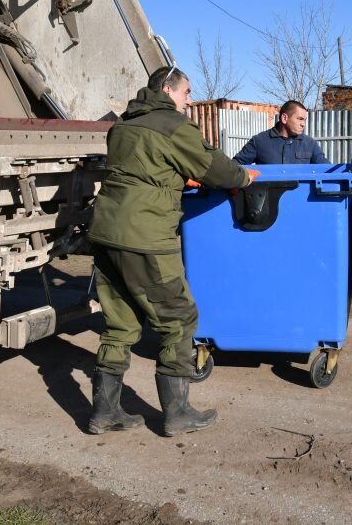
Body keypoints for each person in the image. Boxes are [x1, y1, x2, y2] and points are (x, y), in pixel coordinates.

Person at [86, 67, 256, 437]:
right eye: (187, 92)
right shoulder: (172, 124)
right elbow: (217, 168)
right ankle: (177, 414)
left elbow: (145, 168)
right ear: (167, 89)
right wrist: (243, 179)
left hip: (106, 231)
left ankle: (105, 412)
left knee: (120, 322)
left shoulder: (123, 126)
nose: (190, 100)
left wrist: (177, 175)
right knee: (178, 319)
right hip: (145, 235)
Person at [233, 100, 329, 165]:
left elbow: (326, 170)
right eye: (300, 119)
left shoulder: (310, 144)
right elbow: (235, 168)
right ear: (284, 118)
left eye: (304, 120)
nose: (303, 124)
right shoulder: (259, 141)